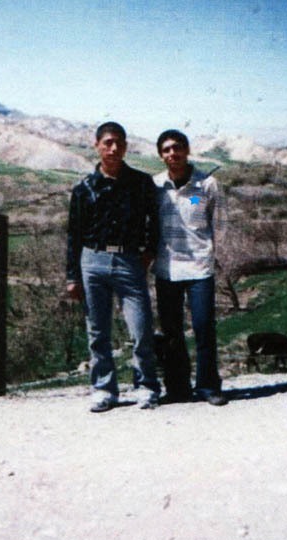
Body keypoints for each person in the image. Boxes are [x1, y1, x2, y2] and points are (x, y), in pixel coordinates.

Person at [66, 122, 161, 412]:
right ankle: (104, 389)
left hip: (129, 260)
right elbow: (74, 235)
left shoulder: (141, 183)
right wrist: (72, 276)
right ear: (97, 145)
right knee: (97, 331)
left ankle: (146, 386)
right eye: (107, 142)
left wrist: (149, 252)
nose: (114, 148)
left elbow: (154, 220)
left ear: (126, 146)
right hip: (92, 261)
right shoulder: (84, 188)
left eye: (119, 142)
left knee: (141, 329)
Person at [153, 129, 228, 406]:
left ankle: (208, 386)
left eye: (177, 147)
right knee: (171, 331)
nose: (173, 153)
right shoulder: (155, 186)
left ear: (187, 150)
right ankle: (178, 388)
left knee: (203, 327)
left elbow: (219, 223)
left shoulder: (206, 185)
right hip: (166, 268)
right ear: (161, 155)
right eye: (167, 149)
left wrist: (216, 255)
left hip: (199, 267)